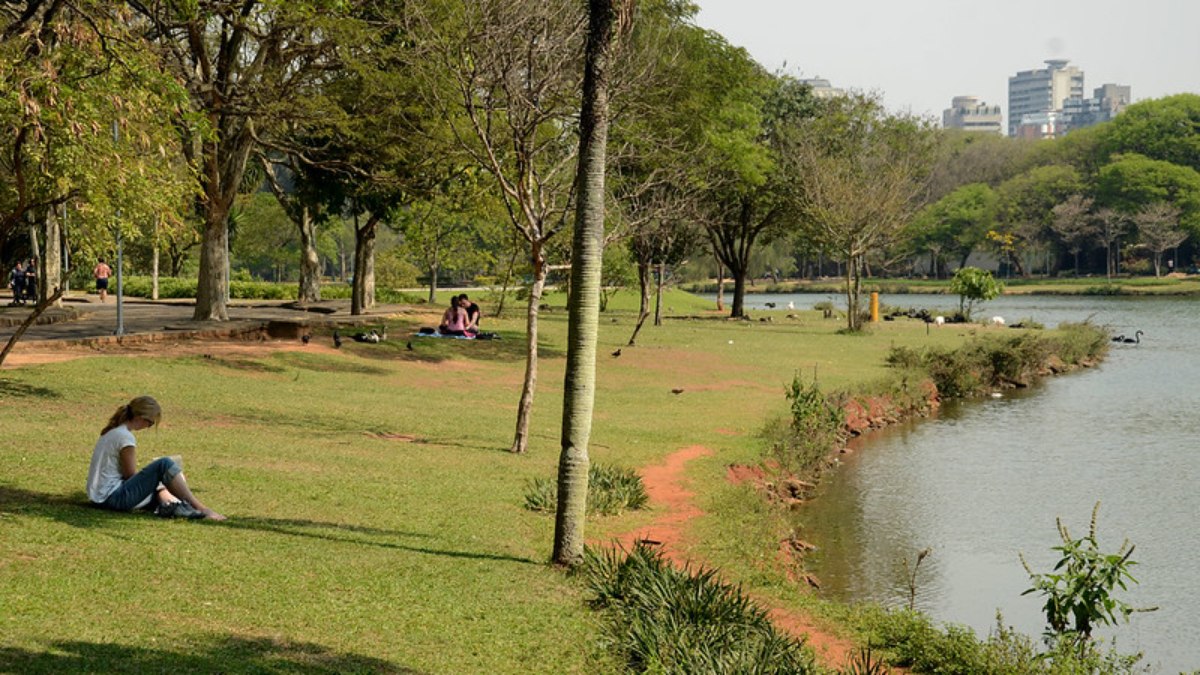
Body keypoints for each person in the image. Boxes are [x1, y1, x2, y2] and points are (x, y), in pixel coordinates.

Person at [86, 396, 226, 521]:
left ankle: (173, 506)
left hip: (101, 497)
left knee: (161, 476)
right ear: (141, 418)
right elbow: (129, 474)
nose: (148, 427)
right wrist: (154, 480)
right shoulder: (125, 437)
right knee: (164, 464)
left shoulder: (113, 432)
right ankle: (200, 508)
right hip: (112, 498)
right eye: (150, 423)